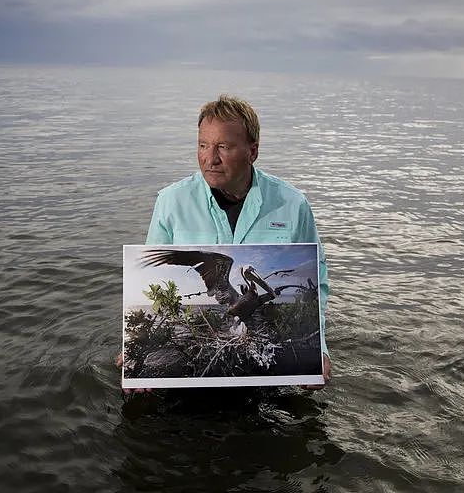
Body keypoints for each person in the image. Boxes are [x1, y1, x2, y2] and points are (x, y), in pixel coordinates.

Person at [120, 94, 331, 391]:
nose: (210, 158)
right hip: (214, 352)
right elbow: (144, 276)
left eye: (223, 146)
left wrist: (318, 350)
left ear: (252, 151)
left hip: (257, 364)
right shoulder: (171, 202)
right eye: (203, 145)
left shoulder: (292, 205)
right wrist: (132, 352)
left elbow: (318, 282)